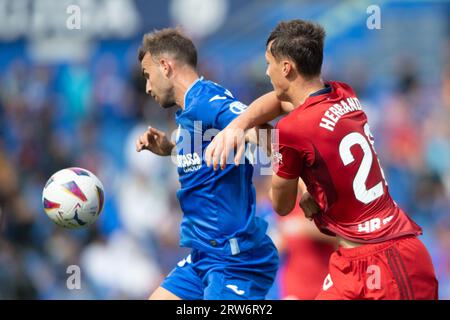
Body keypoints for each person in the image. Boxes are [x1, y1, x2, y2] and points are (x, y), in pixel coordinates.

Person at [205, 20, 438, 300]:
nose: (266, 72)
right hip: (351, 263)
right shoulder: (343, 93)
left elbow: (281, 204)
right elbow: (283, 107)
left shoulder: (294, 129)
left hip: (388, 258)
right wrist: (238, 127)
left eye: (268, 63)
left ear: (286, 67)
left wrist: (255, 136)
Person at [135, 28, 278, 300]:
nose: (147, 87)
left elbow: (259, 129)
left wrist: (296, 176)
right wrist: (170, 149)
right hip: (204, 257)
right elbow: (210, 153)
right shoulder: (190, 110)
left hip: (235, 260)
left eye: (147, 76)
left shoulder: (206, 100)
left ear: (165, 66)